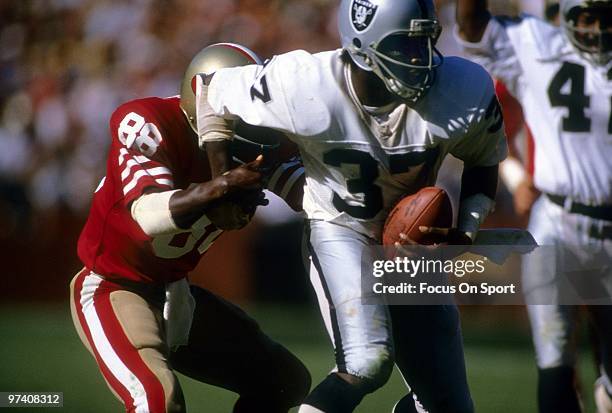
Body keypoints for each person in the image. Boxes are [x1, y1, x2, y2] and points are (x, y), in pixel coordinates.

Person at [196, 1, 507, 411]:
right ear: (362, 47)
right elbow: (210, 87)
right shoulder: (305, 83)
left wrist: (462, 232)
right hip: (340, 227)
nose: (422, 60)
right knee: (366, 361)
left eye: (425, 42)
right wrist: (222, 182)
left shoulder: (460, 88)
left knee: (448, 405)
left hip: (409, 248)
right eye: (404, 47)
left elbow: (484, 159)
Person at [69, 43, 310, 413]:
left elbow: (310, 194)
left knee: (285, 381)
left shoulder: (254, 141)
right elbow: (148, 216)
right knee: (157, 402)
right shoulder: (149, 121)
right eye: (240, 110)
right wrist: (221, 188)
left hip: (178, 293)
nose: (255, 123)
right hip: (114, 287)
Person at [455, 1, 612, 412]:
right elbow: (472, 28)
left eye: (605, 18)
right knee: (554, 354)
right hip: (557, 220)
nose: (595, 29)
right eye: (585, 18)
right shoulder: (536, 44)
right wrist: (516, 176)